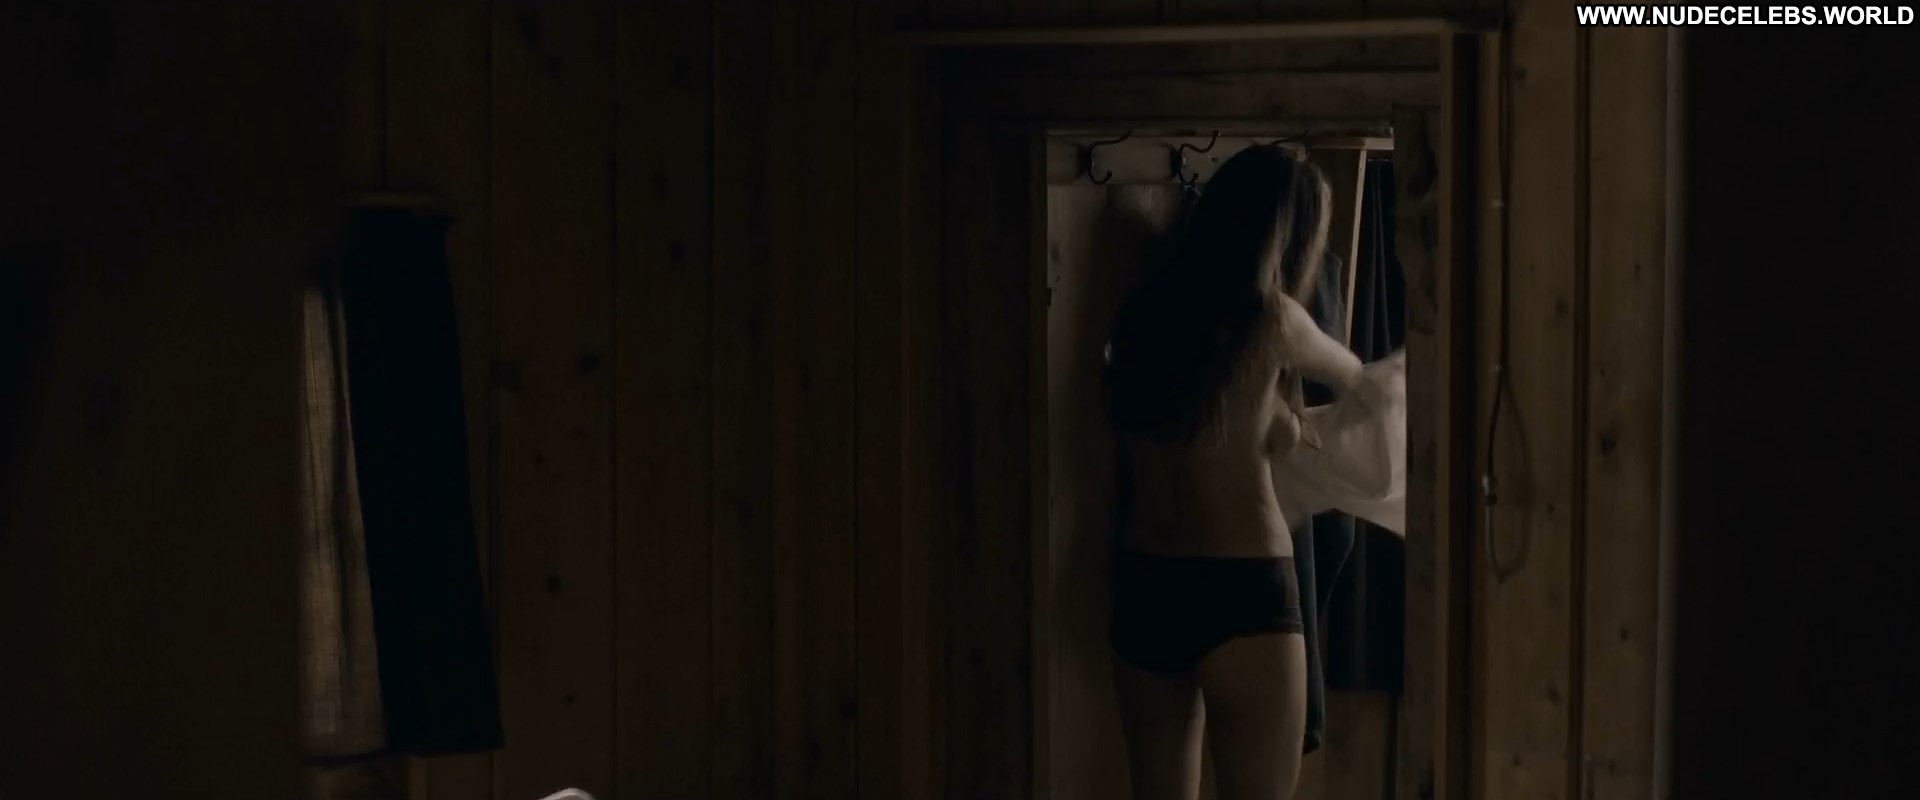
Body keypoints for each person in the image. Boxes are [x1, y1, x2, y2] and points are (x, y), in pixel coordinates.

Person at [1103, 144, 1398, 800]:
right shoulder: (1273, 318)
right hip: (1243, 586)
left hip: (1147, 578)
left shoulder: (1144, 309)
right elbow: (1361, 381)